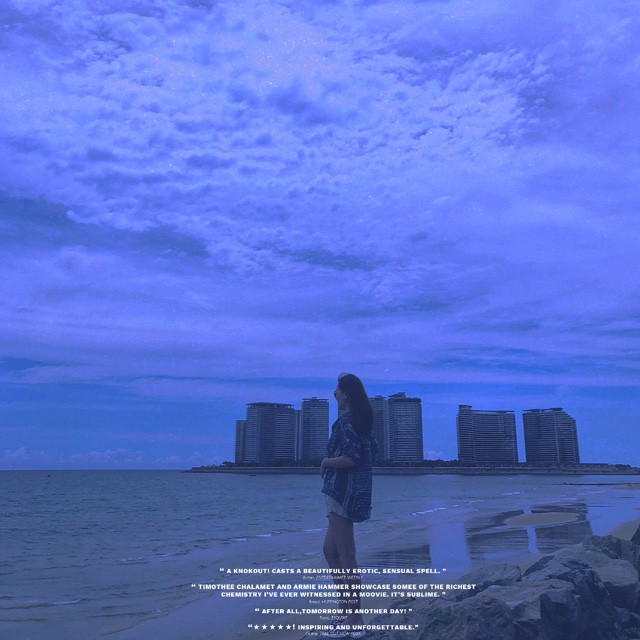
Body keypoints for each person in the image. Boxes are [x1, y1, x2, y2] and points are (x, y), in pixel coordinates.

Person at [320, 373, 376, 639]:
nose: (335, 393)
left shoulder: (345, 423)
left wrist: (325, 462)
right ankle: (346, 613)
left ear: (347, 394)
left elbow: (351, 458)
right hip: (350, 493)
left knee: (346, 555)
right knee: (330, 550)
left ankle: (353, 620)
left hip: (342, 493)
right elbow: (370, 452)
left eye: (338, 390)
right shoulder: (362, 423)